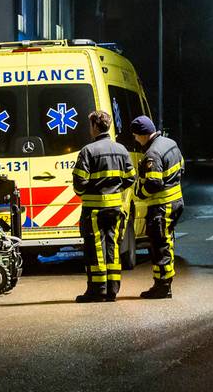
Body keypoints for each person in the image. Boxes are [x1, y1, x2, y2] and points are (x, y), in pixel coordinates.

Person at [71, 110, 133, 303]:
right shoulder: (121, 150)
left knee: (96, 248)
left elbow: (79, 182)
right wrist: (114, 191)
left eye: (90, 125)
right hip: (115, 209)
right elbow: (130, 178)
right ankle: (112, 289)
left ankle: (98, 290)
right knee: (112, 247)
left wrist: (87, 193)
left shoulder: (88, 151)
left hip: (94, 210)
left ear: (96, 126)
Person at [130, 115, 184, 299]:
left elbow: (154, 183)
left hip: (161, 205)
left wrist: (140, 193)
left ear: (143, 134)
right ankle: (164, 283)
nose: (136, 140)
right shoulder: (170, 143)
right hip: (175, 201)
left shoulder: (152, 153)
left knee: (160, 246)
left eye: (136, 136)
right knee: (167, 242)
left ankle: (162, 285)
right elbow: (181, 167)